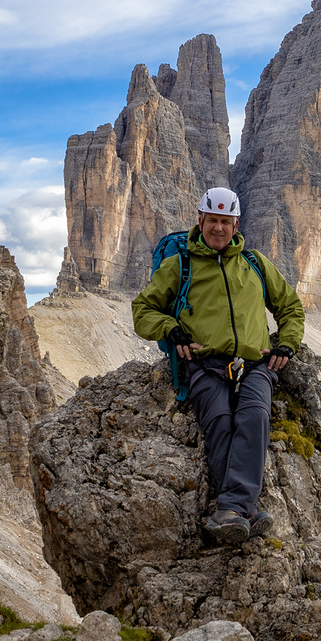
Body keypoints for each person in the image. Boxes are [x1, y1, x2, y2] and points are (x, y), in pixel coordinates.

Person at [133, 187, 305, 545]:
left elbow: (290, 307)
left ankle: (229, 511)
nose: (218, 229)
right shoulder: (179, 265)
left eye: (225, 222)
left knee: (254, 416)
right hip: (205, 365)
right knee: (221, 422)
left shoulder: (255, 263)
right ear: (200, 220)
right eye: (212, 220)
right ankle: (245, 510)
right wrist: (171, 330)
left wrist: (287, 342)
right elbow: (143, 311)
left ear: (236, 224)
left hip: (255, 364)